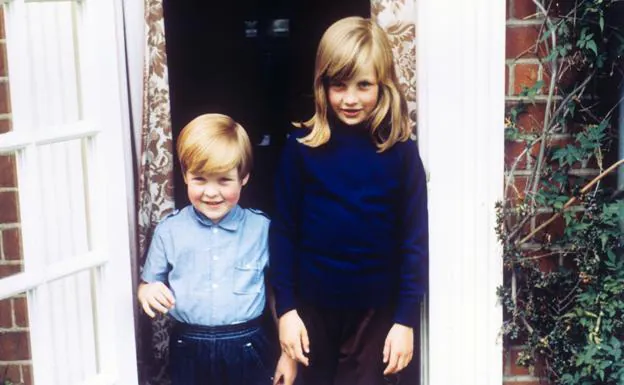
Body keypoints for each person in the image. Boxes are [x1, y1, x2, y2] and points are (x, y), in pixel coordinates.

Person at [269, 16, 428, 385]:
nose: (350, 98)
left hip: (375, 315)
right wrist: (286, 311)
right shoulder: (301, 149)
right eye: (338, 86)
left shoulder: (401, 154)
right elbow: (283, 234)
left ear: (383, 85)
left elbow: (414, 243)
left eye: (364, 85)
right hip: (312, 311)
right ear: (321, 85)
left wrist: (404, 320)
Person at [138, 113, 297, 385]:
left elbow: (279, 294)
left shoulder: (262, 229)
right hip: (188, 346)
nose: (211, 192)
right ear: (185, 175)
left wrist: (288, 354)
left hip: (248, 347)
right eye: (200, 179)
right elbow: (147, 283)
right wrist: (148, 291)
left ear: (244, 178)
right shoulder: (169, 231)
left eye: (224, 180)